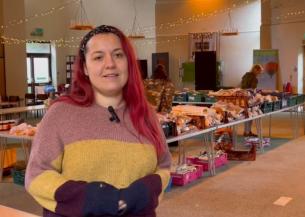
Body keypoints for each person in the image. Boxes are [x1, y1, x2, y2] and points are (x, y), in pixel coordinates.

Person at [25, 25, 171, 217]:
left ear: (128, 62)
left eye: (118, 55)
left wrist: (145, 191)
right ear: (85, 67)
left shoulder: (147, 115)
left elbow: (164, 167)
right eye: (98, 57)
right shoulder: (60, 114)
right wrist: (89, 198)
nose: (110, 64)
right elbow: (36, 175)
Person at [241, 64, 263, 137]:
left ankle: (247, 131)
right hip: (249, 97)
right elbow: (253, 89)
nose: (259, 74)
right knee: (250, 114)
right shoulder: (254, 78)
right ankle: (247, 132)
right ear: (255, 70)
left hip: (243, 96)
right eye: (259, 72)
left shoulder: (246, 75)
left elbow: (242, 86)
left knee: (247, 114)